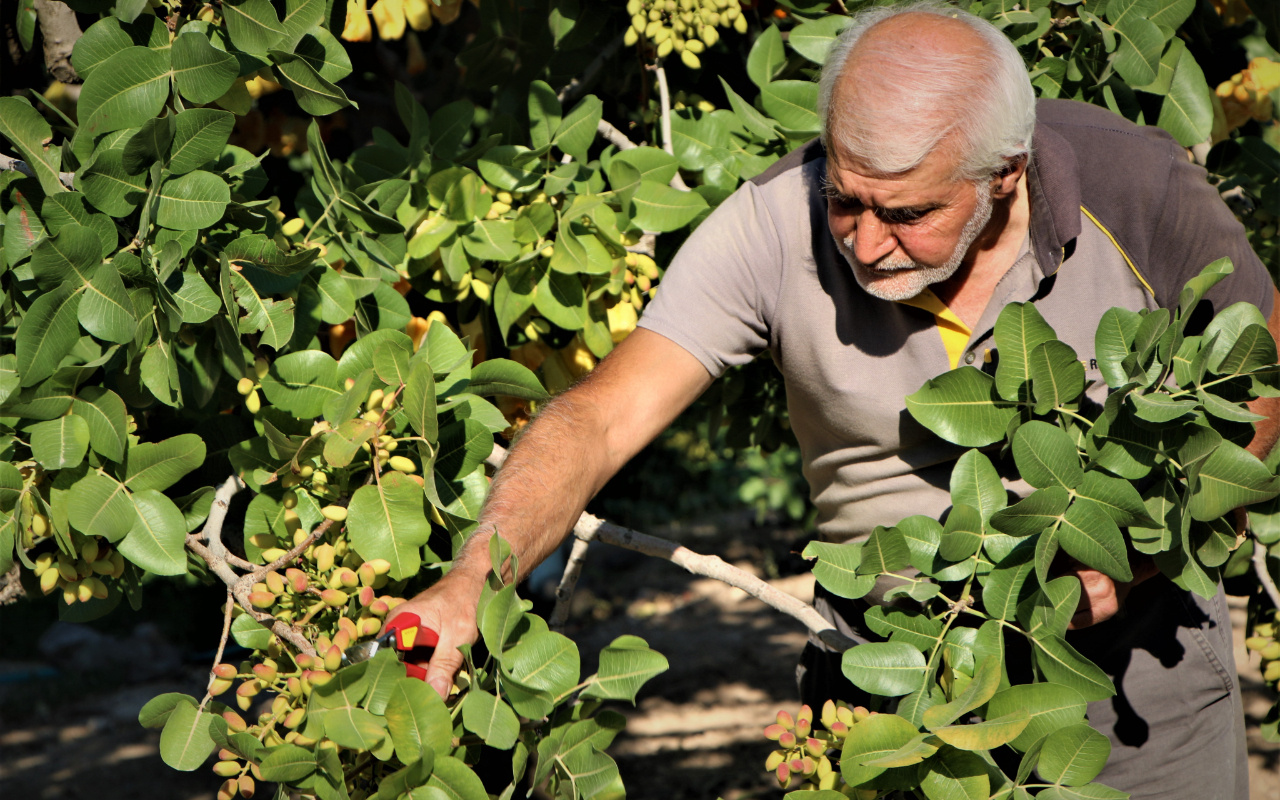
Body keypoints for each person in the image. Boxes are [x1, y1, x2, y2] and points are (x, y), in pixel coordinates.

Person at [388, 3, 1280, 796]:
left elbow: (1262, 375)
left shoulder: (1136, 185)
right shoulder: (772, 223)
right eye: (847, 202)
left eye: (907, 214)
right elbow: (600, 416)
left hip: (1136, 686)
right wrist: (475, 576)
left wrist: (1138, 558)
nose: (865, 242)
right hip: (884, 683)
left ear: (1006, 174)